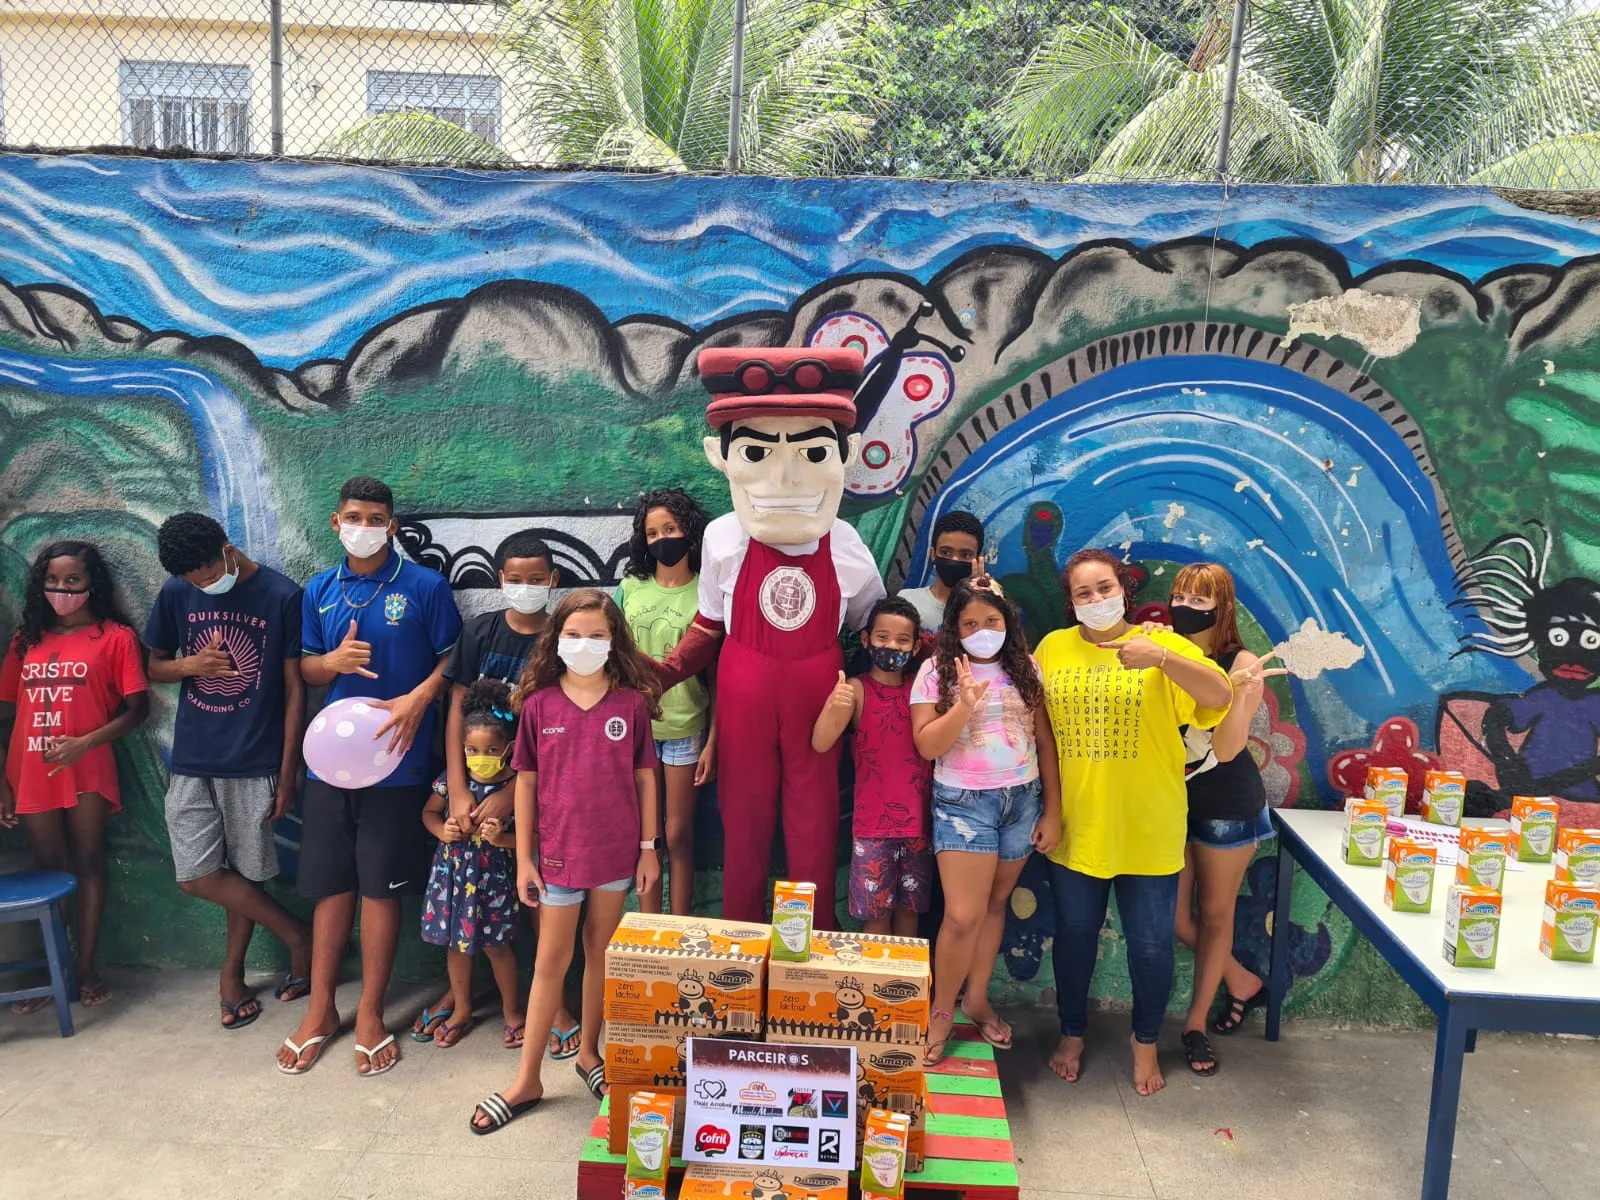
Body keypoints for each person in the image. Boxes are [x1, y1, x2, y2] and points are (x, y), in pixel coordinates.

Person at [655, 347, 886, 927]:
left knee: (812, 828)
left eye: (811, 452)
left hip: (819, 705)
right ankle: (742, 948)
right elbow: (708, 626)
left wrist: (945, 652)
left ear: (843, 455)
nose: (784, 477)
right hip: (743, 698)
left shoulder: (847, 544)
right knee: (744, 825)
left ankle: (803, 956)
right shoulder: (723, 538)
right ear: (722, 456)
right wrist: (650, 676)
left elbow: (877, 629)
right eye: (757, 452)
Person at [277, 476, 463, 1078]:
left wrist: (421, 697)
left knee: (380, 888)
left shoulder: (425, 587)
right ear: (336, 522)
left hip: (399, 763)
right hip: (331, 764)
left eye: (376, 516)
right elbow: (305, 670)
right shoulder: (319, 591)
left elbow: (454, 657)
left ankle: (371, 1015)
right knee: (334, 885)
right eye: (354, 515)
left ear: (392, 524)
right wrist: (328, 664)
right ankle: (322, 1010)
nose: (364, 524)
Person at [1035, 549, 1232, 1097]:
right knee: (1073, 939)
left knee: (1150, 947)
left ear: (1122, 589)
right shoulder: (1053, 649)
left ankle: (1144, 1043)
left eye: (1104, 588)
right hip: (1077, 826)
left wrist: (1162, 659)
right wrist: (1051, 810)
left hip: (1150, 826)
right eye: (1083, 593)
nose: (1095, 601)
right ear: (1070, 603)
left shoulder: (1163, 645)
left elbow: (1221, 696)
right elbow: (1041, 733)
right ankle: (1072, 1033)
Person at [469, 590, 661, 1133]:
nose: (585, 645)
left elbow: (646, 780)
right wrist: (525, 858)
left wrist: (649, 850)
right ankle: (526, 1078)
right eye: (573, 635)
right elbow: (525, 784)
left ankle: (589, 1056)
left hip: (617, 854)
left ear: (614, 641)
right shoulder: (539, 706)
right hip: (556, 856)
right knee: (551, 962)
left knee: (600, 952)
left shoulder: (630, 706)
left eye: (597, 635)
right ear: (556, 640)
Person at [145, 512, 312, 1029]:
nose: (201, 586)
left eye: (205, 575)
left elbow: (293, 691)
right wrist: (190, 667)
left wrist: (288, 773)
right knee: (196, 875)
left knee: (243, 872)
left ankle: (232, 974)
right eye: (192, 582)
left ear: (226, 548)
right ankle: (296, 935)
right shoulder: (176, 592)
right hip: (193, 756)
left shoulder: (282, 595)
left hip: (254, 759)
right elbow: (153, 665)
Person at [429, 530, 579, 1059]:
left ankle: (555, 1002)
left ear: (553, 581)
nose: (525, 588)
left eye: (536, 580)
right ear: (500, 581)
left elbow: (567, 726)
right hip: (476, 789)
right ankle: (467, 993)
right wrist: (462, 791)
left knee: (542, 893)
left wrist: (513, 789)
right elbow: (455, 709)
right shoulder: (480, 632)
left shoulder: (565, 642)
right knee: (470, 895)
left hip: (544, 789)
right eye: (514, 580)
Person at [909, 577, 1060, 1066]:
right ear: (954, 627)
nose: (982, 630)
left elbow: (1045, 743)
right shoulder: (935, 672)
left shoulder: (1026, 667)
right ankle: (940, 1013)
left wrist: (1052, 811)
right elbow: (928, 745)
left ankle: (976, 1000)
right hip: (963, 805)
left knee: (995, 906)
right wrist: (965, 706)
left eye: (991, 621)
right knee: (962, 915)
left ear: (1007, 622)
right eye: (970, 623)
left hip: (1021, 800)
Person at [0, 541, 149, 1010]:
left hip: (88, 764)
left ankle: (84, 968)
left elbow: (136, 711)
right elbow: (5, 713)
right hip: (30, 769)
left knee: (87, 861)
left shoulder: (115, 637)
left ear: (92, 584)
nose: (61, 589)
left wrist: (86, 742)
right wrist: (2, 782)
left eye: (72, 581)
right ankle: (53, 965)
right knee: (49, 866)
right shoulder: (27, 640)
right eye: (53, 581)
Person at [1167, 563, 1282, 1069]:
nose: (1185, 608)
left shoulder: (1243, 662)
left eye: (1199, 600)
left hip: (1227, 808)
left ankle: (1194, 1026)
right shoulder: (1166, 651)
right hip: (1171, 804)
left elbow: (1231, 748)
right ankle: (1241, 980)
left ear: (1222, 608)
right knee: (1175, 919)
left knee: (1215, 917)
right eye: (1179, 597)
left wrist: (1240, 694)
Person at [618, 488, 716, 916]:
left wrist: (714, 741)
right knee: (646, 835)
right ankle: (647, 926)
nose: (662, 539)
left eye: (670, 529)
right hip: (635, 731)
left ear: (689, 532)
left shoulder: (706, 594)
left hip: (685, 727)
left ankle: (678, 928)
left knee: (677, 835)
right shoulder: (630, 588)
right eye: (652, 532)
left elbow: (719, 680)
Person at [811, 595, 932, 937]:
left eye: (902, 639)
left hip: (919, 825)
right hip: (872, 828)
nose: (891, 645)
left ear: (915, 645)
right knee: (876, 917)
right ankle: (874, 988)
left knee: (910, 913)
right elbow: (820, 742)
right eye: (882, 637)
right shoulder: (857, 690)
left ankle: (902, 986)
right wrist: (836, 706)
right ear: (866, 639)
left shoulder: (921, 689)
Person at [417, 678, 524, 1049]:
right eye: (473, 749)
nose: (481, 756)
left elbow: (532, 841)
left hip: (493, 884)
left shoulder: (516, 789)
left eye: (491, 749)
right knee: (455, 947)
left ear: (510, 748)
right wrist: (441, 830)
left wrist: (502, 840)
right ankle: (461, 1009)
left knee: (498, 948)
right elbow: (429, 813)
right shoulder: (452, 782)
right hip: (451, 879)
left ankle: (513, 1013)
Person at [899, 511, 985, 633]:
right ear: (933, 554)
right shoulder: (907, 601)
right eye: (946, 552)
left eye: (965, 554)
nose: (954, 560)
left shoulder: (988, 611)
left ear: (978, 559)